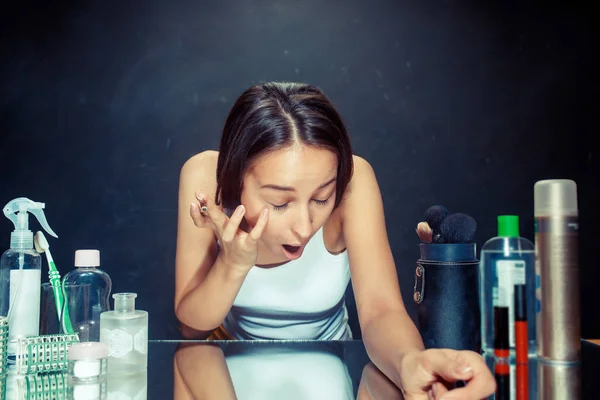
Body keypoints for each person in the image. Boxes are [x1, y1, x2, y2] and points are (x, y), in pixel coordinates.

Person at [175, 81, 495, 399]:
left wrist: (409, 361)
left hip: (331, 372)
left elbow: (381, 312)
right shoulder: (206, 178)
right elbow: (192, 330)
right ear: (235, 180)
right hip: (229, 374)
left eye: (322, 198)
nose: (304, 227)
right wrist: (231, 264)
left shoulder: (356, 179)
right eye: (280, 202)